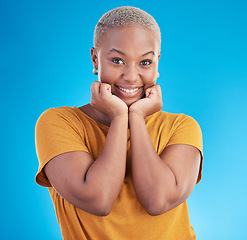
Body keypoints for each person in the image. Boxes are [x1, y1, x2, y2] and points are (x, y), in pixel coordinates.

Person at [35, 6, 203, 240]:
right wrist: (119, 116)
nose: (131, 76)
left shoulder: (181, 127)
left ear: (157, 63)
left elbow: (158, 201)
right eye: (117, 60)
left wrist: (135, 117)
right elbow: (98, 199)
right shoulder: (60, 122)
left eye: (145, 62)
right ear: (95, 58)